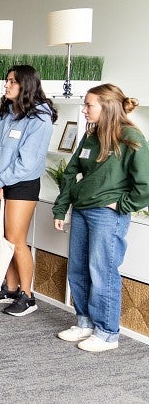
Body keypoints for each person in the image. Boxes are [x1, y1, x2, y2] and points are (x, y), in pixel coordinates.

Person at [52, 84, 149, 352]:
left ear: (107, 107)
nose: (84, 111)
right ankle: (85, 323)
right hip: (82, 211)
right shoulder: (90, 136)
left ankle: (107, 333)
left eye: (88, 105)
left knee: (102, 272)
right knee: (78, 269)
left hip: (108, 215)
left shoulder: (131, 138)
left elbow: (146, 184)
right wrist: (61, 207)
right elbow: (70, 172)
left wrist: (122, 205)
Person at [0, 64, 56, 316]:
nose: (7, 85)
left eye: (13, 81)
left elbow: (28, 161)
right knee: (4, 240)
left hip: (21, 184)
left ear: (27, 85)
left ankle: (28, 296)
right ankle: (10, 289)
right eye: (7, 80)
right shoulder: (1, 115)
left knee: (15, 240)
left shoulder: (40, 118)